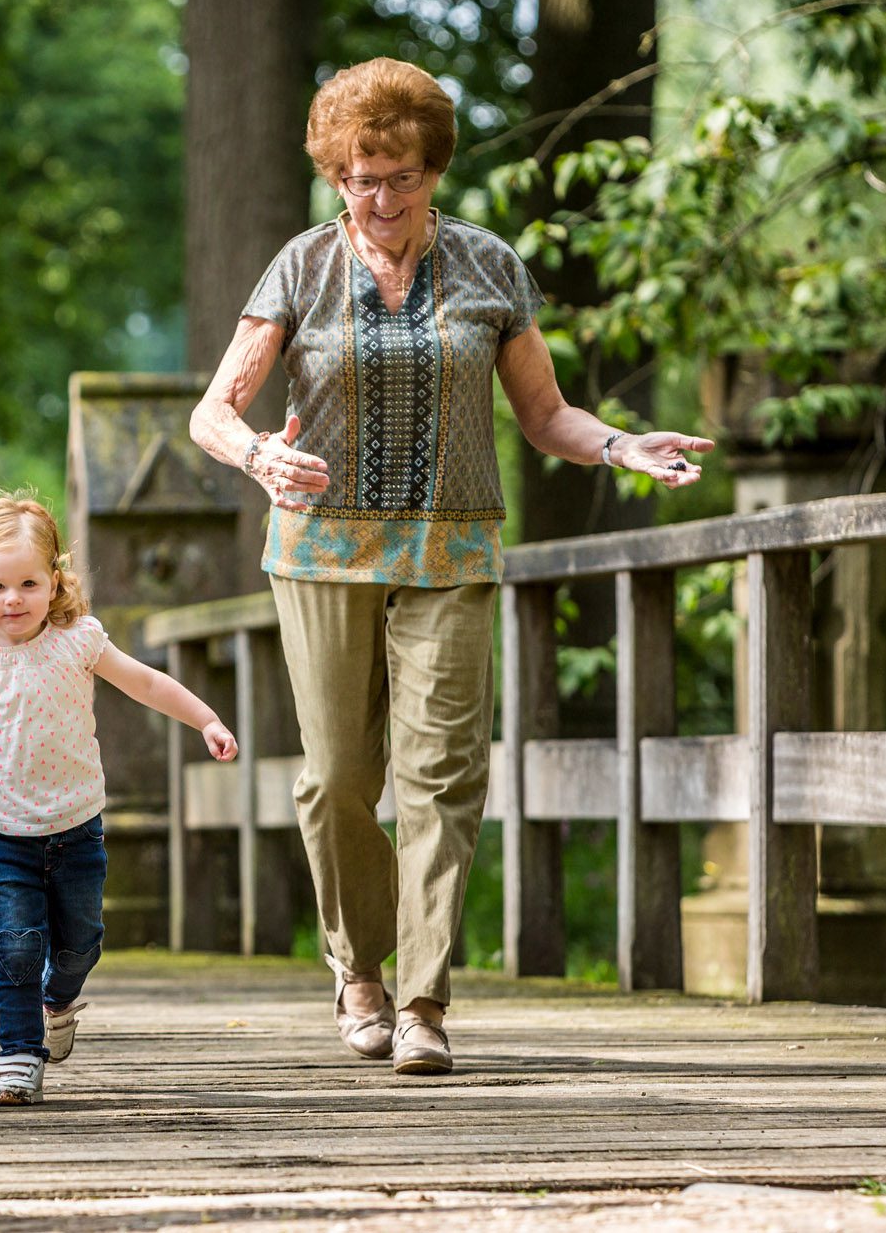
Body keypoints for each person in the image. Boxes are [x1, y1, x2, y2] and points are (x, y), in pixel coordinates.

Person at [189, 57, 713, 1076]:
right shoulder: (298, 268)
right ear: (333, 175)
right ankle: (358, 973)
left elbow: (545, 415)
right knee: (339, 776)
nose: (376, 198)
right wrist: (257, 453)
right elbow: (214, 410)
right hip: (321, 552)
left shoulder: (487, 269)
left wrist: (620, 447)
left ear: (432, 169)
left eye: (396, 176)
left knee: (441, 775)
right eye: (355, 177)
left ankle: (422, 997)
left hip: (451, 546)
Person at [0, 495, 239, 1105]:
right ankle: (17, 1058)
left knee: (80, 941)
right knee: (15, 944)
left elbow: (144, 681)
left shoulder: (78, 640)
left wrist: (206, 719)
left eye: (30, 583)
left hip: (76, 824)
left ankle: (59, 1000)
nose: (15, 599)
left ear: (55, 582)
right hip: (1, 831)